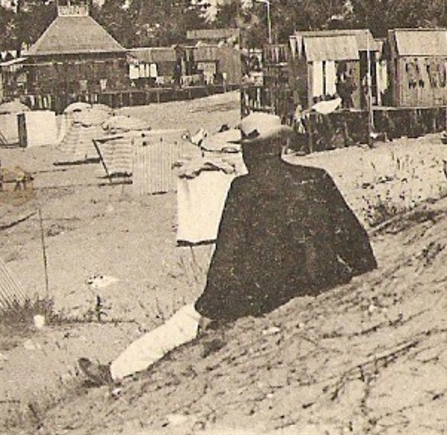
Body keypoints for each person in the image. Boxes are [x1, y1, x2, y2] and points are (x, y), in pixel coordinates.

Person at [78, 112, 377, 387]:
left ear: (249, 152)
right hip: (321, 280)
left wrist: (210, 306)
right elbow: (354, 238)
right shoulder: (317, 177)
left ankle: (115, 371)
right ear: (280, 146)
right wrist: (365, 275)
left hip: (266, 295)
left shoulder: (244, 189)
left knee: (186, 321)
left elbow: (227, 254)